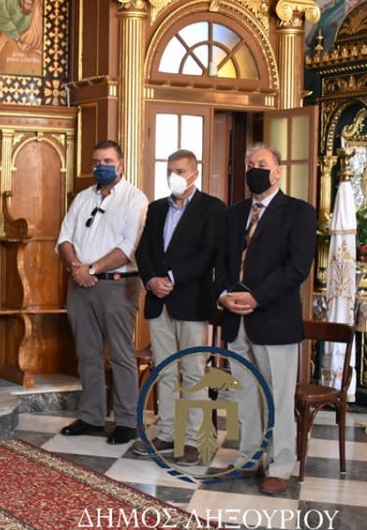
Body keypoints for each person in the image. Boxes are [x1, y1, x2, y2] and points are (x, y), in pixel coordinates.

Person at [215, 143, 316, 495]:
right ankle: (249, 458)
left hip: (274, 319)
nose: (255, 169)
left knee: (277, 396)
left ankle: (280, 464)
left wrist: (257, 297)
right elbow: (223, 261)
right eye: (250, 164)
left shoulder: (299, 213)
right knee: (244, 395)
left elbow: (297, 268)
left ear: (277, 171)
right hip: (235, 318)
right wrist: (223, 295)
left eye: (262, 164)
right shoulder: (235, 212)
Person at [132, 149, 226, 465]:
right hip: (159, 301)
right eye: (171, 170)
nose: (175, 175)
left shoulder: (212, 209)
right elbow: (143, 250)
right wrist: (151, 280)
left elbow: (210, 253)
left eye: (181, 170)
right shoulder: (157, 208)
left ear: (195, 173)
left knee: (193, 372)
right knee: (165, 372)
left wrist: (171, 276)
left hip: (192, 302)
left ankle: (193, 440)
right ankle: (167, 433)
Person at [56, 140, 149, 445]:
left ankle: (126, 420)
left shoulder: (135, 199)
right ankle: (92, 417)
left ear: (120, 165)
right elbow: (65, 237)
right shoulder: (83, 197)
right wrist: (75, 267)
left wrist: (91, 269)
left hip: (117, 285)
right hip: (80, 283)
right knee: (87, 354)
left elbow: (127, 246)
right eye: (97, 162)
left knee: (121, 354)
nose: (102, 166)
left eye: (108, 161)